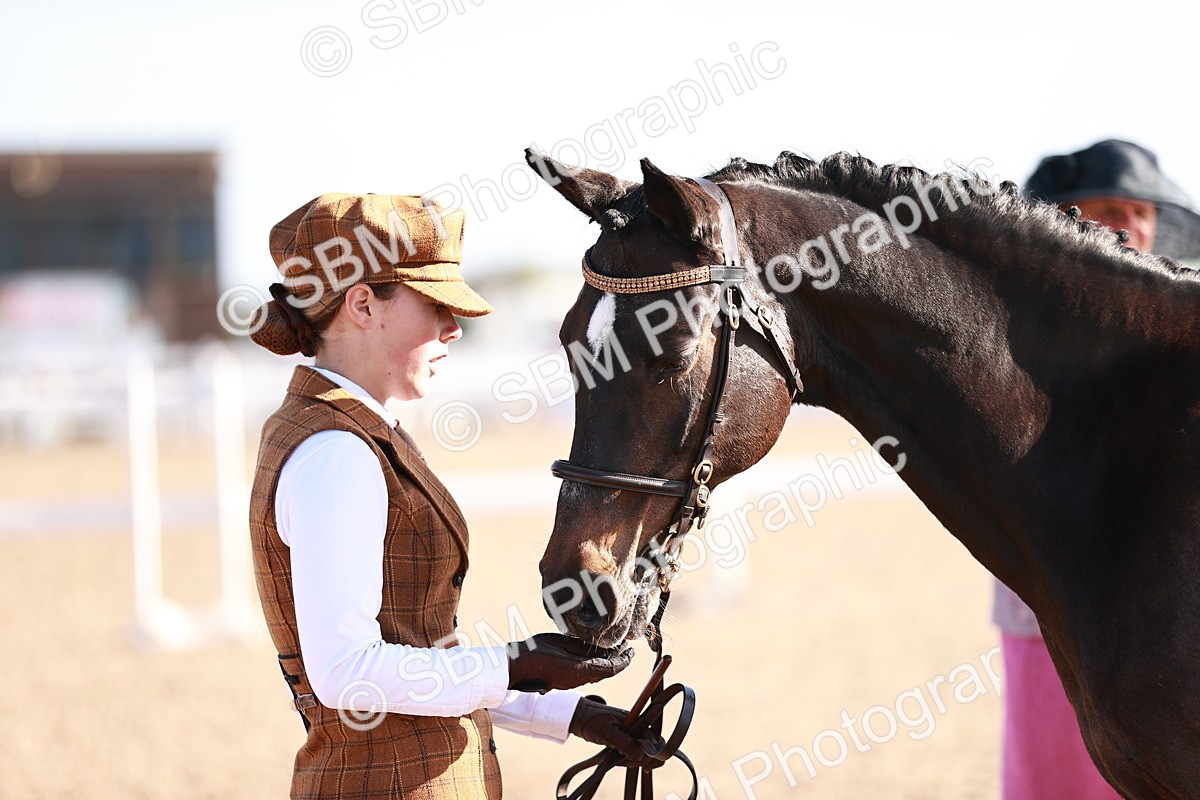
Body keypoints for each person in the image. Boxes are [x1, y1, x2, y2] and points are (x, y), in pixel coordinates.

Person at [247, 193, 655, 798]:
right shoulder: (338, 450)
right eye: (434, 304)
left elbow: (411, 654)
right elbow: (347, 673)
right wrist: (516, 662)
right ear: (363, 304)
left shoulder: (345, 431)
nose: (452, 327)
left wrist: (568, 714)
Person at [996, 139, 1200, 800]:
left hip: (1174, 615)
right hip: (1049, 610)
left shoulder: (1181, 326)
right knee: (1052, 779)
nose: (1130, 226)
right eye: (1110, 207)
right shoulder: (1011, 332)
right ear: (1065, 217)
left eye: (1140, 211)